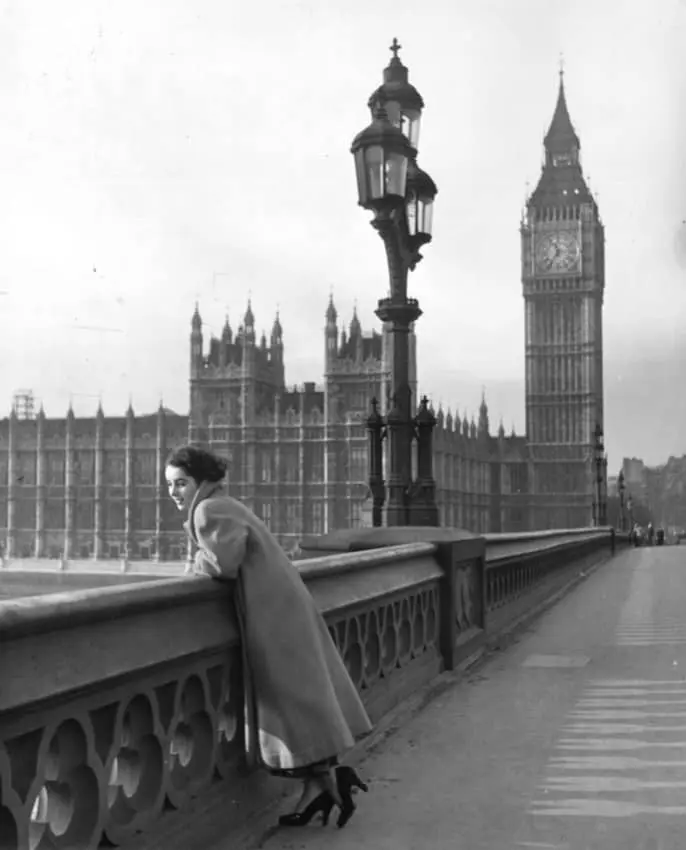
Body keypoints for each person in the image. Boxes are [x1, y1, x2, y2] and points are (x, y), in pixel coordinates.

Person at [165, 445, 372, 828]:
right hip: (281, 608)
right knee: (299, 701)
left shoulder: (209, 509)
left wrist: (192, 562)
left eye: (180, 483)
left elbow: (220, 565)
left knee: (290, 702)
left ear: (201, 482)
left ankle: (328, 780)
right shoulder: (223, 503)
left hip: (273, 616)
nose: (174, 492)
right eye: (171, 486)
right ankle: (325, 784)